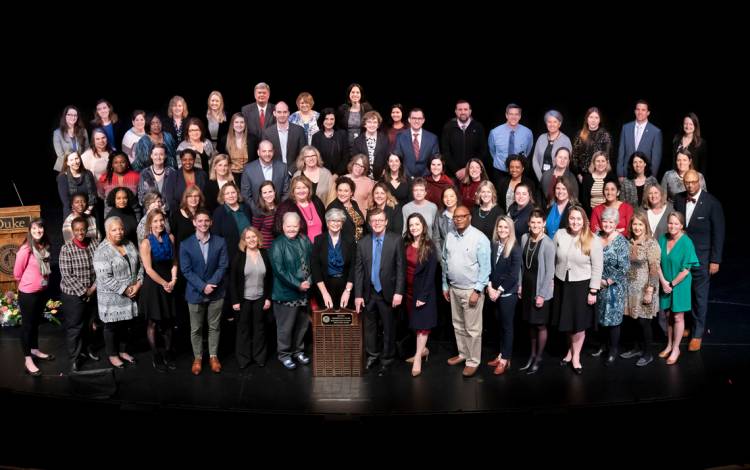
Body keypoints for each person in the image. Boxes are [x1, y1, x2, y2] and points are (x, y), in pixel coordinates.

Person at [674, 170, 725, 352]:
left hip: (702, 259)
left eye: (693, 182)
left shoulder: (712, 203)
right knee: (683, 294)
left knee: (700, 297)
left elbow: (719, 233)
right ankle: (686, 327)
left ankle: (697, 334)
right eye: (687, 182)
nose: (690, 185)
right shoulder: (678, 199)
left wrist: (715, 260)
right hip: (682, 258)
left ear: (699, 182)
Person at [354, 208, 405, 376]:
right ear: (369, 223)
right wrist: (358, 295)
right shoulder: (362, 243)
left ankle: (386, 359)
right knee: (369, 328)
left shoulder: (396, 240)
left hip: (388, 293)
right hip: (369, 293)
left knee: (389, 328)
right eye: (373, 221)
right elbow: (359, 271)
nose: (377, 223)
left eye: (380, 220)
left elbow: (400, 268)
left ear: (386, 222)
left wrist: (399, 292)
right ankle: (372, 355)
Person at [442, 205, 491, 378]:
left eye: (462, 216)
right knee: (458, 325)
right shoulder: (449, 236)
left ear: (469, 217)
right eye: (455, 217)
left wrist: (477, 291)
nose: (458, 219)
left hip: (471, 290)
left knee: (473, 329)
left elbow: (485, 268)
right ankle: (463, 354)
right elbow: (444, 261)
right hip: (454, 288)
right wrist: (445, 285)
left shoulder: (479, 238)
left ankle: (473, 361)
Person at [553, 206, 603, 374]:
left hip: (582, 286)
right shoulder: (560, 234)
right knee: (567, 322)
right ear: (568, 219)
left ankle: (576, 357)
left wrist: (593, 290)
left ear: (584, 221)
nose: (575, 222)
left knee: (579, 324)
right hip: (563, 283)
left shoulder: (593, 239)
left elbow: (597, 267)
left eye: (578, 219)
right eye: (572, 218)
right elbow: (553, 259)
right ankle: (570, 351)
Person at [180, 209, 229, 375]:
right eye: (199, 221)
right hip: (195, 292)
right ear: (194, 222)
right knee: (196, 328)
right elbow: (186, 271)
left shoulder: (220, 242)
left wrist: (211, 284)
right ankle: (198, 358)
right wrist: (202, 286)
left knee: (214, 326)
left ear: (211, 222)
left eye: (206, 221)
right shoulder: (186, 244)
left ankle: (213, 356)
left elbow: (223, 266)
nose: (203, 224)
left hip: (216, 292)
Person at [94, 217, 143, 369]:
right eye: (114, 229)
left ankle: (123, 351)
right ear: (107, 231)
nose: (119, 232)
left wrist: (138, 284)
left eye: (120, 229)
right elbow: (104, 277)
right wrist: (126, 290)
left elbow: (140, 265)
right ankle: (112, 354)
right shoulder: (102, 251)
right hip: (112, 297)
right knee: (112, 327)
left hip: (132, 293)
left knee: (127, 325)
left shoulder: (129, 244)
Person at [270, 212, 313, 370]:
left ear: (299, 225)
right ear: (282, 226)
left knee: (302, 325)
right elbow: (279, 270)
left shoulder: (304, 239)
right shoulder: (277, 244)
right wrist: (298, 284)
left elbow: (313, 260)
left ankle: (298, 351)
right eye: (288, 226)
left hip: (304, 292)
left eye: (295, 226)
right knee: (286, 327)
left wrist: (310, 281)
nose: (292, 229)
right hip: (286, 293)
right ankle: (284, 355)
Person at [13, 219, 55, 376]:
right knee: (27, 327)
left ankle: (35, 349)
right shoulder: (26, 249)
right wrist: (29, 284)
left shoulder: (43, 246)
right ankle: (28, 359)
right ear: (30, 231)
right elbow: (17, 273)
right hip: (28, 294)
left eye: (41, 227)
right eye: (35, 228)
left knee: (36, 324)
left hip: (42, 292)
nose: (38, 231)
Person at [657, 212, 699, 365]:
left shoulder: (687, 242)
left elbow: (686, 269)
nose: (672, 226)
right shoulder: (662, 239)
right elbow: (657, 263)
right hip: (665, 282)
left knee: (678, 317)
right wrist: (663, 282)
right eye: (670, 223)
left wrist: (672, 284)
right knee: (668, 315)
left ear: (681, 226)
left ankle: (676, 348)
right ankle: (669, 345)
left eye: (676, 224)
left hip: (680, 284)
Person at [138, 210, 177, 372]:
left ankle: (167, 354)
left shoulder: (171, 237)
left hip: (169, 282)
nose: (159, 224)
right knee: (153, 322)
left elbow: (175, 261)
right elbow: (148, 269)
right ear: (150, 224)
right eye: (155, 221)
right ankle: (156, 355)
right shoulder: (146, 243)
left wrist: (173, 280)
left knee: (168, 322)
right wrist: (164, 283)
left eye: (161, 220)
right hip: (154, 285)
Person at [59, 217, 99, 372]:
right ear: (72, 231)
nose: (80, 232)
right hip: (73, 294)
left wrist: (92, 289)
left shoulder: (94, 243)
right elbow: (67, 275)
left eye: (83, 229)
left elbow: (99, 269)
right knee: (75, 327)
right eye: (77, 230)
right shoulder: (66, 248)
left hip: (92, 291)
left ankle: (87, 350)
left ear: (87, 229)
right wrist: (84, 291)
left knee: (89, 325)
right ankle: (74, 358)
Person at [621, 211, 661, 367]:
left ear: (645, 226)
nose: (637, 227)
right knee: (633, 320)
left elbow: (654, 269)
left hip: (645, 289)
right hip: (630, 289)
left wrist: (650, 291)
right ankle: (636, 348)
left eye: (640, 224)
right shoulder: (629, 241)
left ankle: (648, 353)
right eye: (634, 224)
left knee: (644, 322)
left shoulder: (651, 244)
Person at [518, 209, 555, 374]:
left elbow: (549, 272)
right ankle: (531, 355)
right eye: (532, 222)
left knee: (540, 325)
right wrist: (519, 285)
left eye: (538, 222)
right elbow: (521, 265)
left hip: (540, 288)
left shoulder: (548, 243)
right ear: (528, 223)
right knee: (530, 324)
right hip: (527, 287)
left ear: (544, 224)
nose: (535, 225)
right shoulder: (524, 238)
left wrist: (541, 294)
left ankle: (539, 357)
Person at [229, 227, 273, 369]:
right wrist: (235, 300)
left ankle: (259, 357)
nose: (251, 240)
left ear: (258, 238)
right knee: (243, 329)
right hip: (243, 299)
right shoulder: (239, 256)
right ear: (244, 240)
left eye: (254, 237)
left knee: (260, 329)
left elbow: (270, 278)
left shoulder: (265, 253)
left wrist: (268, 298)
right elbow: (232, 281)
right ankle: (244, 359)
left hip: (260, 298)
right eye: (248, 237)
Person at [594, 207, 630, 366]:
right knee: (600, 317)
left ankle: (613, 350)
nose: (607, 224)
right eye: (604, 221)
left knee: (613, 320)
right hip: (596, 283)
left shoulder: (621, 241)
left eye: (610, 222)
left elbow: (624, 267)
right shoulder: (595, 237)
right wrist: (597, 281)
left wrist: (607, 281)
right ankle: (602, 345)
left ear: (616, 223)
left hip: (614, 286)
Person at [403, 213, 438, 377]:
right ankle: (423, 350)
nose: (414, 227)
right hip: (408, 291)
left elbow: (431, 274)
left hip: (423, 292)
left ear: (423, 226)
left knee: (422, 327)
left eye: (417, 224)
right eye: (411, 225)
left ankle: (417, 358)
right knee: (415, 325)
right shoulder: (406, 243)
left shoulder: (429, 246)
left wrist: (423, 296)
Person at [486, 216, 521, 375]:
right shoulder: (494, 244)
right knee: (499, 325)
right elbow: (487, 267)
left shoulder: (515, 247)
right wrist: (489, 287)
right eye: (500, 227)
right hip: (493, 291)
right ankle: (501, 354)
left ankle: (506, 358)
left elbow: (513, 275)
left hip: (507, 293)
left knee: (507, 327)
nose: (502, 230)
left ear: (511, 229)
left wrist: (498, 290)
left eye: (506, 227)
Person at [311, 209, 356, 309]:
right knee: (327, 320)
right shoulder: (318, 240)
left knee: (345, 320)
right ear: (327, 223)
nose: (335, 223)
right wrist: (324, 293)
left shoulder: (350, 240)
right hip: (324, 286)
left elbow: (354, 266)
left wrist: (348, 291)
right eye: (332, 220)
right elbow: (315, 268)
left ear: (342, 223)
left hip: (346, 286)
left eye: (338, 221)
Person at [441, 100, 489, 181]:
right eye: (460, 109)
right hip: (453, 175)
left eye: (465, 109)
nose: (463, 112)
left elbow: (483, 151)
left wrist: (469, 169)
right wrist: (456, 170)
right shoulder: (448, 127)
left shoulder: (478, 127)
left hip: (473, 173)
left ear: (470, 111)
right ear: (456, 111)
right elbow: (445, 152)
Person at [488, 103, 533, 187]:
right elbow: (492, 151)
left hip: (519, 172)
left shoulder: (528, 133)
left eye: (516, 114)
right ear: (506, 115)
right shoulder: (495, 132)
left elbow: (528, 150)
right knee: (500, 196)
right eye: (511, 114)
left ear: (520, 116)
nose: (513, 117)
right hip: (500, 171)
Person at [617, 100, 662, 179]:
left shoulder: (655, 132)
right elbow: (621, 152)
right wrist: (620, 174)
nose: (640, 112)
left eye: (643, 110)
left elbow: (656, 159)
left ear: (648, 113)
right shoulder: (626, 128)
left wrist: (651, 177)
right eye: (638, 109)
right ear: (635, 111)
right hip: (626, 174)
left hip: (645, 176)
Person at [274, 175, 326, 242]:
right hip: (299, 249)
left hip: (320, 247)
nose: (301, 191)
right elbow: (277, 230)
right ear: (293, 190)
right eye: (298, 188)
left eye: (304, 187)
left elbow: (325, 224)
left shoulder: (316, 201)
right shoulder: (285, 207)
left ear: (309, 189)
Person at [211, 182, 254, 263]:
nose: (231, 196)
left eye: (233, 192)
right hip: (230, 255)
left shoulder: (246, 208)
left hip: (249, 251)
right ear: (223, 196)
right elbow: (215, 236)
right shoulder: (218, 212)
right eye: (227, 193)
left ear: (237, 194)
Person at [240, 140, 290, 208]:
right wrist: (255, 209)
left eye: (270, 151)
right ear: (258, 152)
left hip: (278, 210)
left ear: (273, 152)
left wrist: (279, 207)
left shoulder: (282, 167)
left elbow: (287, 192)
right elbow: (245, 194)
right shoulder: (248, 169)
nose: (267, 154)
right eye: (264, 151)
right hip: (257, 213)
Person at [394, 108, 440, 177]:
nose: (416, 121)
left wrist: (428, 174)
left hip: (426, 178)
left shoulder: (432, 138)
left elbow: (435, 159)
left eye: (419, 118)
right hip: (405, 178)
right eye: (414, 118)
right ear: (409, 120)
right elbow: (397, 158)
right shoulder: (400, 137)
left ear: (423, 120)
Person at [571, 107, 612, 181]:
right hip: (582, 176)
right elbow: (574, 157)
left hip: (599, 175)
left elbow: (606, 157)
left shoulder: (605, 135)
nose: (593, 120)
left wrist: (601, 175)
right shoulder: (580, 134)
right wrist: (578, 174)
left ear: (599, 120)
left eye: (596, 117)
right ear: (587, 119)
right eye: (591, 117)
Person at [531, 110, 573, 182]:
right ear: (546, 123)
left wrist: (557, 178)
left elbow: (567, 162)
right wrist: (541, 178)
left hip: (558, 179)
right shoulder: (541, 138)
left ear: (559, 124)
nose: (552, 124)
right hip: (540, 178)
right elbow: (535, 159)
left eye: (555, 122)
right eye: (549, 122)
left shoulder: (565, 140)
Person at [136, 144, 178, 213]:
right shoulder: (144, 173)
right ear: (151, 156)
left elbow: (176, 195)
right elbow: (141, 197)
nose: (158, 157)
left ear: (165, 156)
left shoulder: (172, 172)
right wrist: (153, 207)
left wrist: (166, 208)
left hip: (169, 213)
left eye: (161, 154)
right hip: (150, 213)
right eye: (155, 154)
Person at [262, 101, 306, 166]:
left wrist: (291, 171)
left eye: (285, 112)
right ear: (274, 113)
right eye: (279, 112)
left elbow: (303, 153)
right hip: (275, 170)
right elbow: (266, 155)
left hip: (295, 170)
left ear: (288, 113)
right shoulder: (267, 133)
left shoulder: (299, 130)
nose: (282, 115)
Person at [57, 151, 97, 222]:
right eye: (71, 160)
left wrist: (88, 210)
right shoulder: (62, 178)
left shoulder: (88, 174)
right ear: (67, 163)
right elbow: (66, 201)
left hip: (89, 211)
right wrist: (78, 214)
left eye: (76, 158)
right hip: (71, 213)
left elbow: (94, 193)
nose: (75, 162)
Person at [350, 110, 389, 179]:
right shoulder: (358, 141)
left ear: (378, 125)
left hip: (380, 177)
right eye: (369, 122)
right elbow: (355, 160)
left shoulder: (384, 139)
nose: (372, 125)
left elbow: (387, 157)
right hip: (362, 177)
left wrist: (385, 170)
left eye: (375, 122)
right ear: (365, 124)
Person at [327, 176, 366, 242]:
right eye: (340, 190)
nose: (342, 194)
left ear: (351, 193)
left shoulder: (354, 203)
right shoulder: (333, 207)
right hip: (345, 246)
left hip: (359, 244)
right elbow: (333, 233)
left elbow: (360, 223)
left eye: (346, 191)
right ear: (336, 191)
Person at [311, 107, 348, 177]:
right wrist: (325, 174)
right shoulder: (316, 137)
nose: (329, 122)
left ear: (335, 120)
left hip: (340, 175)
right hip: (321, 175)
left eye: (332, 119)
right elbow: (315, 158)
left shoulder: (342, 134)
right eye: (326, 119)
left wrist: (337, 174)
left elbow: (346, 157)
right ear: (322, 120)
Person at [220, 113, 256, 183]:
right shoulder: (224, 140)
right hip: (230, 176)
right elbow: (222, 159)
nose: (239, 125)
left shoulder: (253, 139)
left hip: (249, 175)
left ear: (245, 124)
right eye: (236, 122)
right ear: (232, 124)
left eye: (242, 122)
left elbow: (256, 160)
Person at [53, 105, 89, 172]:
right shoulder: (57, 133)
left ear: (77, 117)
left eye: (75, 115)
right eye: (69, 114)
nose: (73, 117)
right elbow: (60, 154)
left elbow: (87, 149)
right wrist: (73, 165)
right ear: (65, 116)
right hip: (64, 167)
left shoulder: (83, 131)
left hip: (81, 166)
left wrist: (79, 164)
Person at [580, 151, 617, 216]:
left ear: (607, 162)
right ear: (593, 163)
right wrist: (592, 215)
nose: (600, 164)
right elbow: (584, 200)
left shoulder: (612, 177)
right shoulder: (587, 178)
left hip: (610, 214)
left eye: (603, 161)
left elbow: (616, 198)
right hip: (591, 213)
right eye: (598, 161)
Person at [337, 83, 373, 148]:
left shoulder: (366, 108)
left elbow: (372, 125)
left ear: (361, 94)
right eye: (352, 92)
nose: (355, 94)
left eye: (357, 92)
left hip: (363, 145)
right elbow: (338, 127)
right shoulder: (343, 109)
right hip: (346, 146)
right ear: (349, 94)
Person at [241, 82, 275, 148]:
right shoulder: (245, 110)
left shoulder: (275, 109)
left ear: (269, 95)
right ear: (254, 95)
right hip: (251, 147)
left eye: (264, 93)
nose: (262, 95)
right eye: (259, 92)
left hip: (270, 147)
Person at [251, 181, 277, 249]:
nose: (268, 195)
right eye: (265, 193)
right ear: (261, 195)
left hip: (279, 245)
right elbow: (255, 231)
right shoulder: (258, 211)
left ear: (274, 192)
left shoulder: (279, 207)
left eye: (270, 191)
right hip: (266, 247)